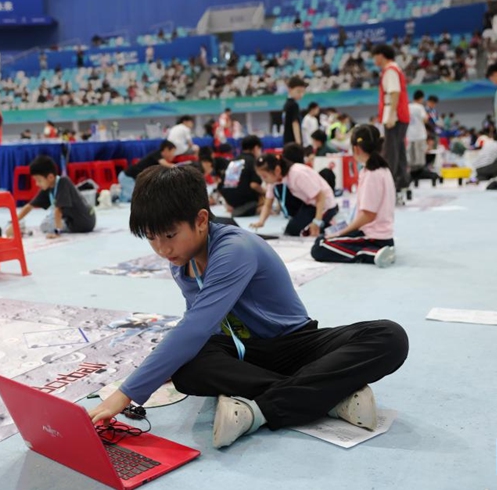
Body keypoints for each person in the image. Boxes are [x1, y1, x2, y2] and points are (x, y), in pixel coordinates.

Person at [87, 165, 409, 449]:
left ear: (201, 220)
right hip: (245, 353)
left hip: (294, 344)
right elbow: (201, 327)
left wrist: (127, 393)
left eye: (169, 235)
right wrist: (169, 365)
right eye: (151, 238)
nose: (161, 248)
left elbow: (196, 325)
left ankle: (260, 409)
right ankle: (329, 397)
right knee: (186, 366)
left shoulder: (234, 249)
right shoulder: (181, 261)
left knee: (389, 337)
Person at [311, 125, 396, 268]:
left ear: (356, 148)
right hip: (379, 235)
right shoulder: (382, 169)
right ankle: (375, 250)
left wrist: (342, 233)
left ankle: (373, 253)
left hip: (373, 237)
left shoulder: (372, 174)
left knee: (319, 247)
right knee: (322, 239)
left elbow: (368, 215)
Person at [5, 155, 95, 238]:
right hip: (79, 218)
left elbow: (58, 211)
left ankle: (21, 230)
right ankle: (18, 227)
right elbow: (29, 206)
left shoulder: (63, 182)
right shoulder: (49, 186)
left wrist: (56, 232)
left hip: (82, 222)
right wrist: (14, 222)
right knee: (47, 221)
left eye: (39, 181)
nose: (37, 184)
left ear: (50, 177)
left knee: (45, 224)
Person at [251, 152, 338, 237]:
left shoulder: (297, 174)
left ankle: (329, 223)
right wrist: (261, 222)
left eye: (264, 176)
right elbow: (268, 204)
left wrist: (317, 221)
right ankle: (324, 222)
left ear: (277, 170)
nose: (263, 180)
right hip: (309, 205)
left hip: (326, 205)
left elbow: (321, 196)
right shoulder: (273, 180)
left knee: (305, 233)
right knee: (291, 231)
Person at [372, 44, 410, 198]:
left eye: (374, 56)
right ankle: (402, 183)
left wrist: (391, 116)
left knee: (391, 152)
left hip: (395, 115)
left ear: (381, 55)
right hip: (400, 115)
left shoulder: (390, 71)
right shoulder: (395, 69)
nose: (374, 60)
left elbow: (394, 93)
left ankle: (389, 185)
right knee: (398, 150)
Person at [217, 135, 265, 218]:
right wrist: (267, 193)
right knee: (263, 194)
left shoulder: (232, 161)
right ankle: (256, 208)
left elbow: (220, 185)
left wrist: (228, 202)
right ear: (256, 148)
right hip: (245, 200)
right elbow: (254, 185)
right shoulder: (253, 161)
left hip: (230, 202)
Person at [406, 90, 429, 179]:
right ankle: (419, 172)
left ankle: (411, 172)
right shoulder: (420, 107)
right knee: (419, 155)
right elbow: (425, 119)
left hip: (409, 134)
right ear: (421, 98)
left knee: (411, 155)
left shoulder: (407, 106)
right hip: (419, 134)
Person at [282, 77, 307, 146]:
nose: (301, 94)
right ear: (290, 90)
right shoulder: (294, 105)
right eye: (298, 91)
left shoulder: (286, 104)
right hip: (293, 142)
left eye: (303, 92)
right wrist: (298, 143)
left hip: (287, 142)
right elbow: (295, 123)